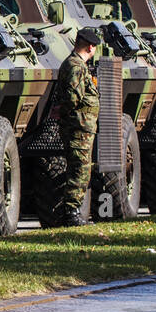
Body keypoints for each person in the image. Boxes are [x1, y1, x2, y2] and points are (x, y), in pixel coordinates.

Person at [52, 27, 101, 225]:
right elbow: (73, 98)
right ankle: (71, 213)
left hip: (81, 127)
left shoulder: (76, 64)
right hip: (78, 127)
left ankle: (72, 211)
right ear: (91, 47)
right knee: (80, 170)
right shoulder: (76, 66)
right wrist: (65, 110)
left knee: (79, 168)